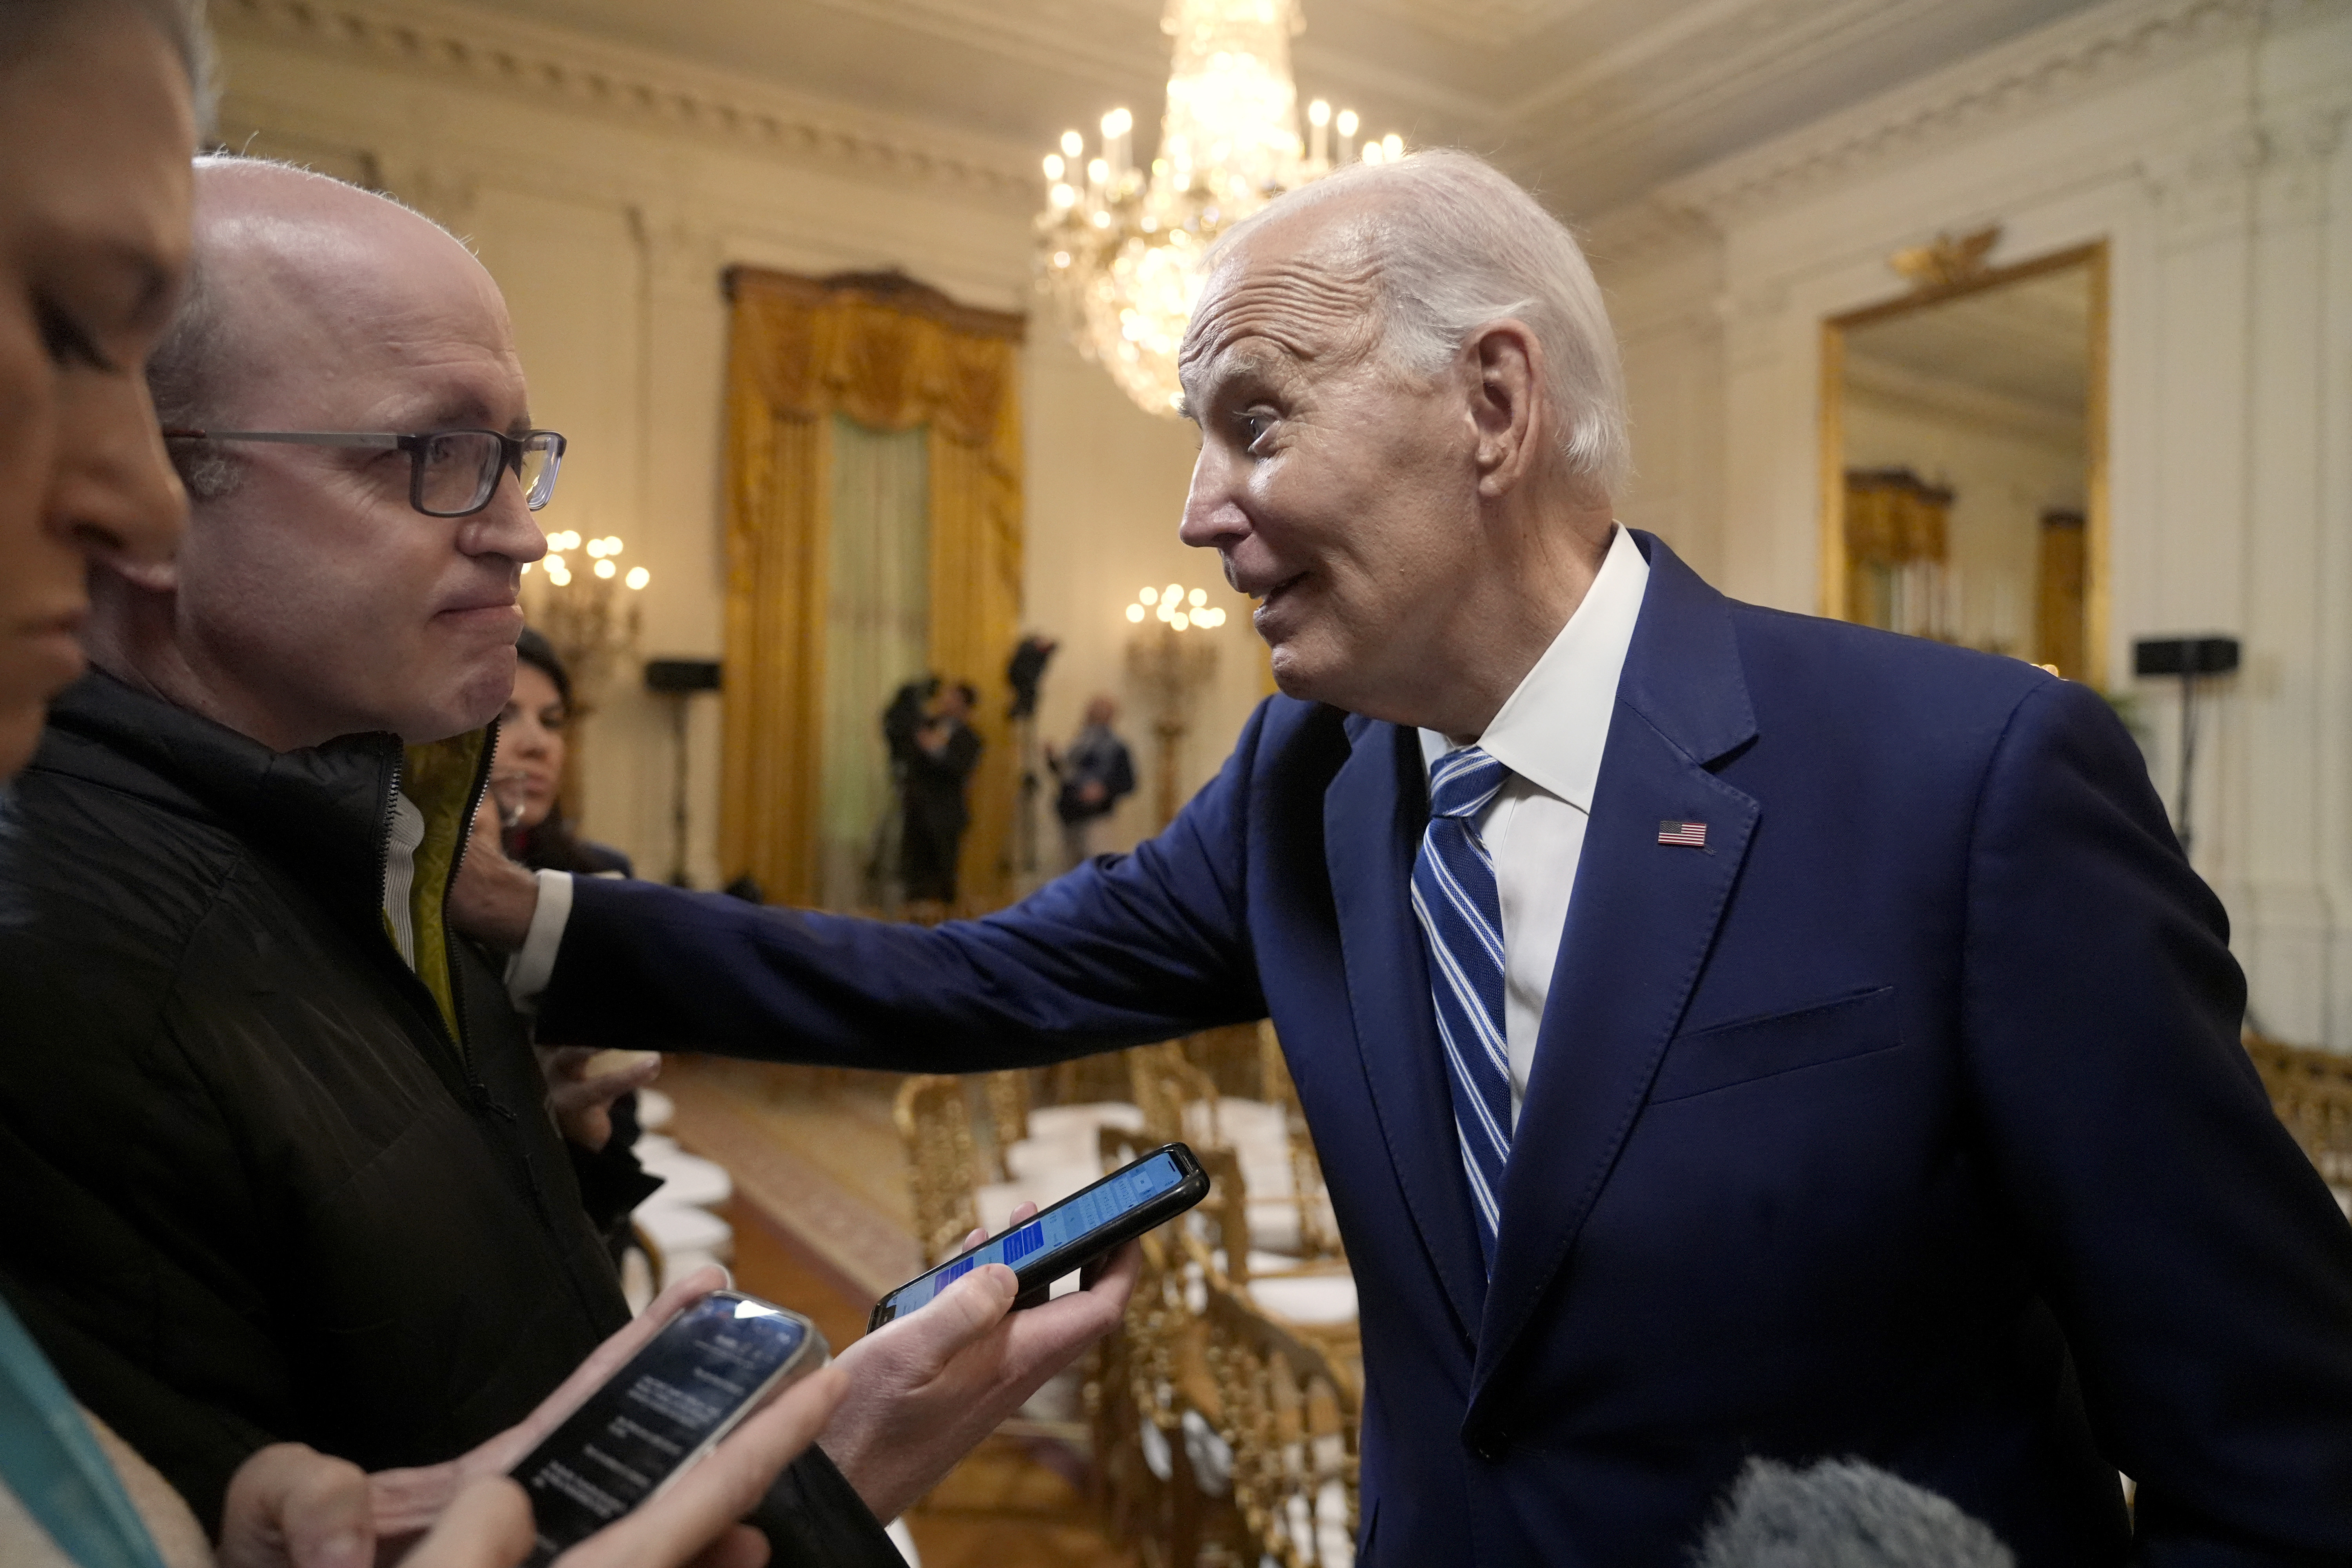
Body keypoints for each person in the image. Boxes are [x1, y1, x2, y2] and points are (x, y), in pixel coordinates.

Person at [454, 147, 2352, 1565]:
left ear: (1495, 406)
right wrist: (530, 920)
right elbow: (975, 977)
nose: (1201, 512)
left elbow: (2274, 1439)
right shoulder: (1312, 781)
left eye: (1254, 422)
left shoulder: (1970, 775)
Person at [0, 143, 1137, 1563]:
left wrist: (535, 1154)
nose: (523, 533)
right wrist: (827, 1486)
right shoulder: (78, 985)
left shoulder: (377, 837)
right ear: (143, 487)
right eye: (435, 455)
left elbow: (438, 1397)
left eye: (516, 457)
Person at [897, 680, 979, 913]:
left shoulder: (970, 738)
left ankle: (944, 921)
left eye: (952, 696)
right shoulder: (925, 726)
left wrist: (935, 749)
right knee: (914, 871)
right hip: (917, 808)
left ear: (964, 704)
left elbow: (959, 768)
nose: (945, 701)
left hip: (946, 813)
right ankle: (913, 916)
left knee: (943, 872)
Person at [1045, 695, 1135, 869]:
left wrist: (1105, 790)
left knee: (1098, 871)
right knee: (1069, 873)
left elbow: (1128, 783)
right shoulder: (1079, 745)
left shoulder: (1116, 747)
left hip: (1097, 819)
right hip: (1071, 816)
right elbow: (1066, 775)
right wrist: (1052, 759)